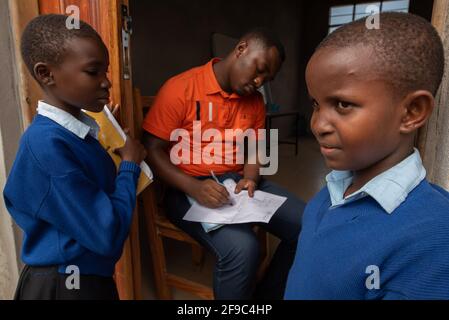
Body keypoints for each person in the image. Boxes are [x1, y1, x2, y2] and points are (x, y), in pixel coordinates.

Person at [285, 12, 449, 300]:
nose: (317, 125)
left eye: (342, 104)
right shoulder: (332, 192)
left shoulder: (432, 243)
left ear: (412, 112)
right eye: (315, 104)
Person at [143, 27, 305, 299]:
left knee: (308, 225)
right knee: (243, 248)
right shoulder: (181, 87)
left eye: (267, 78)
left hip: (238, 183)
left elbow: (253, 150)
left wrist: (251, 178)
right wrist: (194, 188)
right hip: (185, 187)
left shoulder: (255, 102)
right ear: (241, 49)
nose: (259, 81)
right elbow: (152, 150)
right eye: (259, 69)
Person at [3, 14, 146, 300]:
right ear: (46, 74)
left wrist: (105, 137)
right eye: (93, 72)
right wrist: (129, 166)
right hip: (66, 285)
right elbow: (107, 234)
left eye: (105, 72)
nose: (106, 83)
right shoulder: (46, 146)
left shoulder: (76, 129)